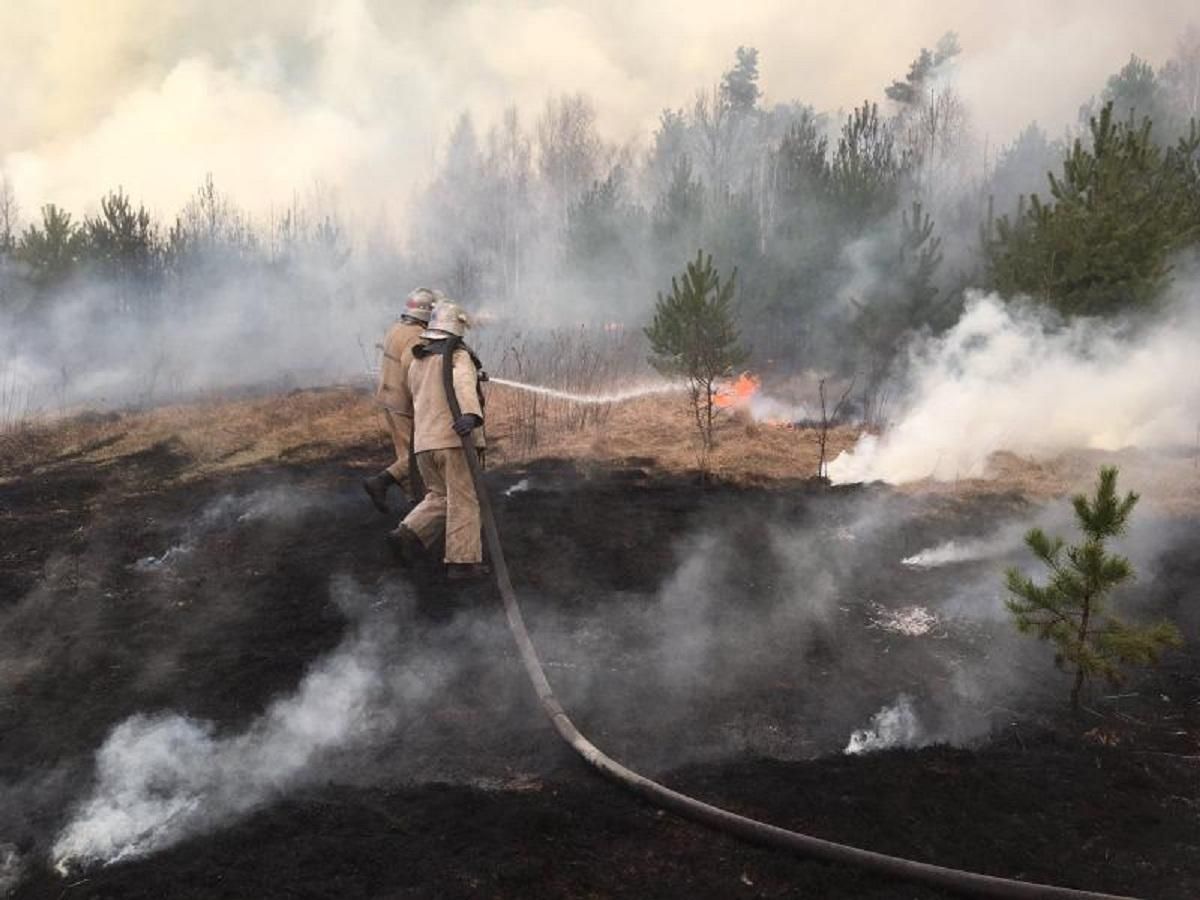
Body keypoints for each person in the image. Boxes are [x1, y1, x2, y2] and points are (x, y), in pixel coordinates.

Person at [389, 300, 488, 580]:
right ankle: (462, 562)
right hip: (453, 441)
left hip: (424, 445)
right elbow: (463, 383)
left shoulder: (418, 362)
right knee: (464, 499)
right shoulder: (456, 355)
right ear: (456, 329)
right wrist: (471, 414)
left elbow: (424, 395)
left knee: (440, 496)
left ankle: (406, 534)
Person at [363, 287, 441, 512]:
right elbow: (414, 367)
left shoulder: (396, 328)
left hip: (387, 397)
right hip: (402, 402)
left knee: (404, 453)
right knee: (417, 455)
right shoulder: (416, 336)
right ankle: (380, 482)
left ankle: (413, 500)